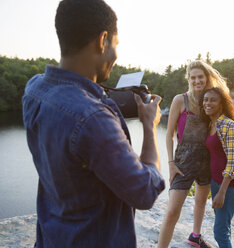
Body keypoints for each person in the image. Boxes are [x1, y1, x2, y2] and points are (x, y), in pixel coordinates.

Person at [22, 0, 165, 247]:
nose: (116, 54)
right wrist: (149, 126)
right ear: (102, 40)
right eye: (116, 44)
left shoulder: (34, 88)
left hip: (52, 238)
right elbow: (145, 192)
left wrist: (102, 104)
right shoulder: (93, 119)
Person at [157, 60, 230, 248]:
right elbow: (169, 134)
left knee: (200, 202)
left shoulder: (210, 100)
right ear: (188, 79)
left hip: (207, 160)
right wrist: (171, 163)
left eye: (200, 77)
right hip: (183, 161)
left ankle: (195, 236)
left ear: (207, 78)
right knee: (173, 211)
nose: (197, 81)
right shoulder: (180, 100)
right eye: (193, 77)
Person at [201, 87, 234, 248]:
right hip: (216, 181)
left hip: (230, 184)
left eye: (212, 100)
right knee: (223, 226)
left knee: (220, 231)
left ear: (221, 104)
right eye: (205, 99)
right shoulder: (210, 123)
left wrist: (222, 192)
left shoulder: (229, 125)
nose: (207, 103)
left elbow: (233, 162)